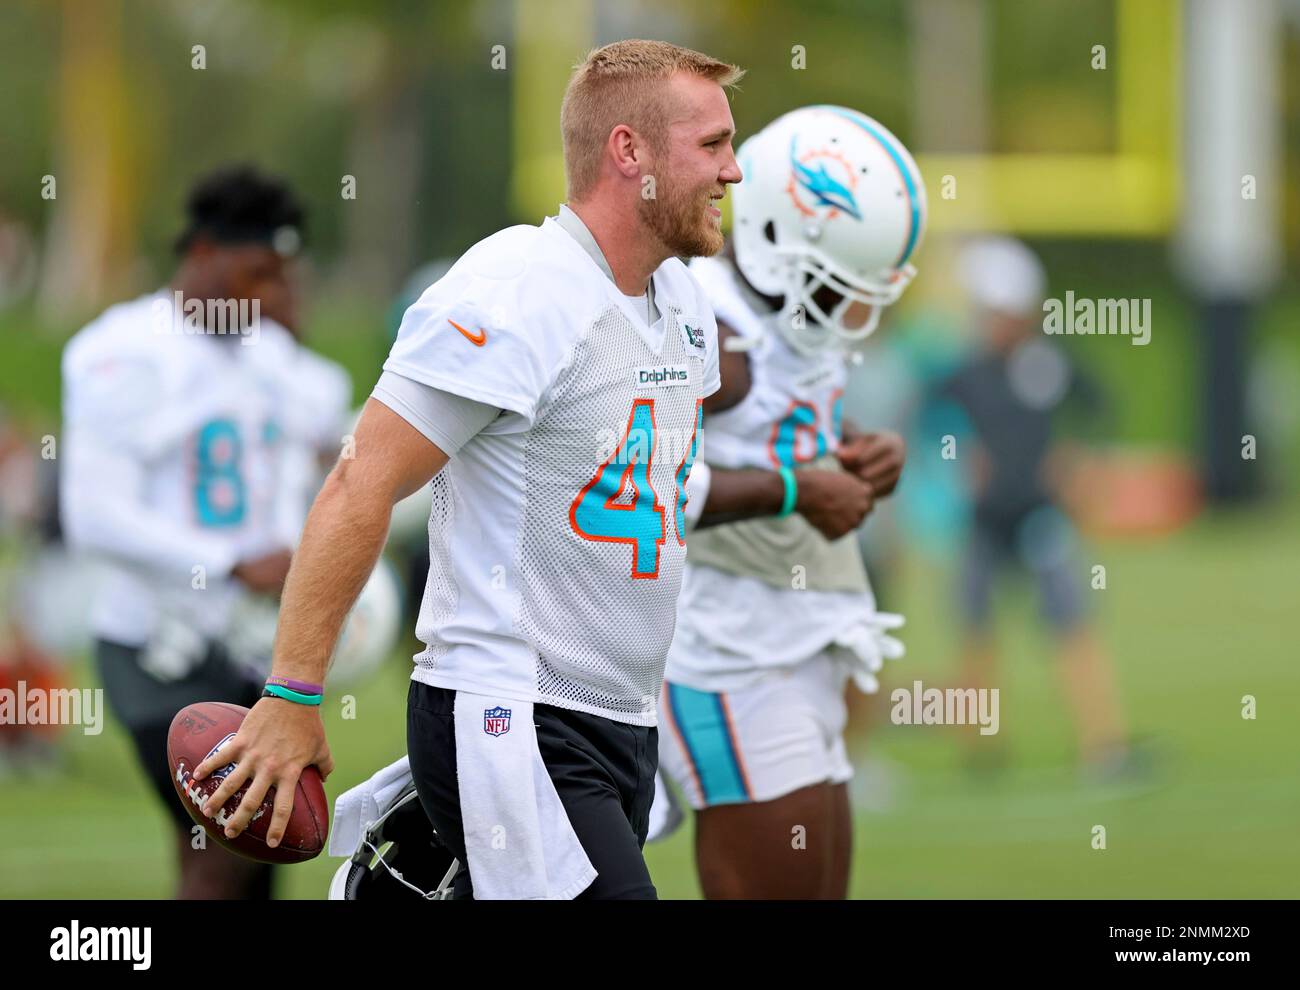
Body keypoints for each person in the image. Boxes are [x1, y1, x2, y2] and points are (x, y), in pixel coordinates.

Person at [195, 39, 744, 900]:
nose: (733, 171)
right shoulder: (515, 290)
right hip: (513, 712)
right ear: (628, 151)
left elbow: (649, 503)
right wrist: (293, 694)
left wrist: (789, 490)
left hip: (621, 719)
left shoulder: (680, 301)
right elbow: (360, 481)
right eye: (711, 145)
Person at [657, 105, 927, 898]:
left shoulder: (780, 320)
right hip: (724, 650)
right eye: (838, 282)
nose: (850, 307)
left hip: (792, 636)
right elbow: (626, 481)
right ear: (782, 242)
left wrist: (862, 455)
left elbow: (785, 432)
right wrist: (796, 490)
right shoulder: (704, 333)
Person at [60, 165, 324, 898]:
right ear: (204, 252)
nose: (268, 296)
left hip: (246, 646)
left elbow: (314, 453)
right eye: (254, 273)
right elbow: (94, 514)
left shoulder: (269, 353)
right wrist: (232, 562)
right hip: (157, 649)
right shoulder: (123, 350)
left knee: (261, 851)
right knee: (226, 845)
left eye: (280, 277)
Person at [939, 236, 1132, 778]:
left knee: (1072, 624)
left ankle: (1104, 744)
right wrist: (954, 457)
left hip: (1041, 517)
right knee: (975, 627)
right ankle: (981, 748)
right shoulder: (968, 371)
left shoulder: (1050, 364)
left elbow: (1101, 408)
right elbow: (932, 422)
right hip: (985, 520)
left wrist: (1083, 465)